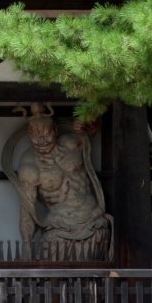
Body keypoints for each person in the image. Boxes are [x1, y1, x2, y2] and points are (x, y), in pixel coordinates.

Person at [16, 103, 112, 261]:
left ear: (55, 130)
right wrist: (27, 245)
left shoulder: (71, 144)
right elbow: (27, 210)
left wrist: (85, 121)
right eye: (35, 136)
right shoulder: (30, 166)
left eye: (47, 134)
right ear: (28, 135)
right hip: (59, 228)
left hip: (93, 220)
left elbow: (94, 127)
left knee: (91, 278)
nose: (42, 141)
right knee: (59, 280)